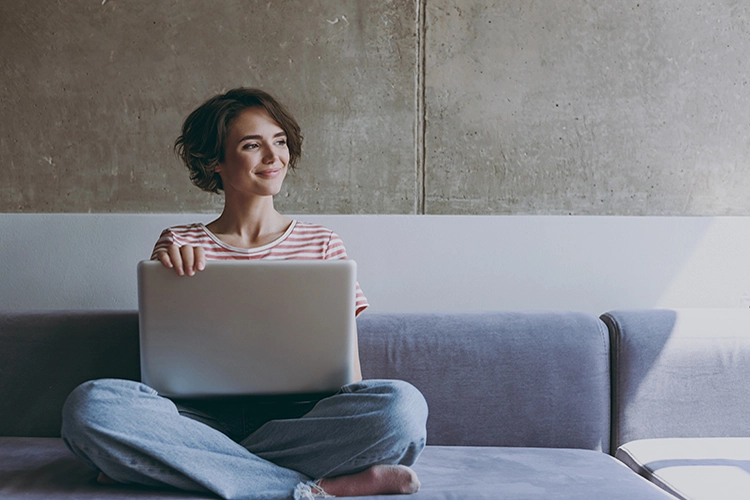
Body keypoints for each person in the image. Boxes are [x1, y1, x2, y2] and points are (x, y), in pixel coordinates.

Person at [60, 88, 428, 500]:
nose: (274, 158)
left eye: (280, 141)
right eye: (253, 145)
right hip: (195, 420)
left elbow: (351, 379)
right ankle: (310, 488)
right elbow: (163, 355)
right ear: (214, 161)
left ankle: (174, 466)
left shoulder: (322, 243)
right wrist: (167, 266)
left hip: (300, 421)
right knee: (89, 406)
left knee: (403, 409)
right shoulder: (178, 241)